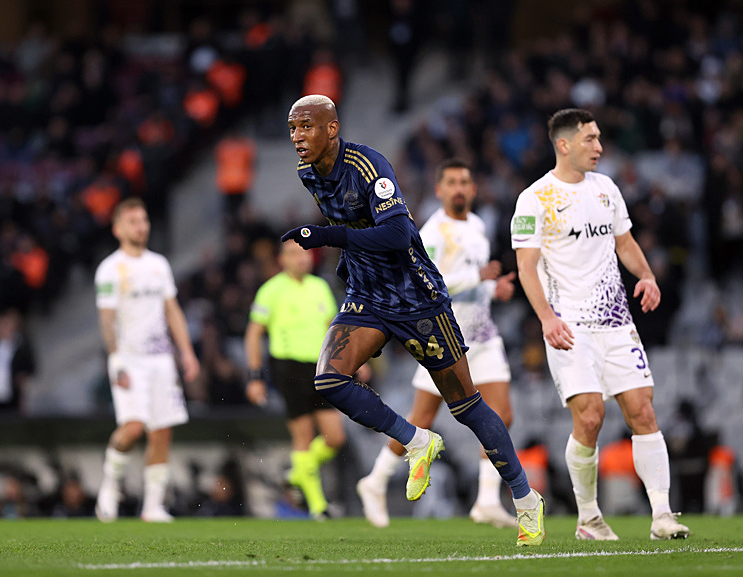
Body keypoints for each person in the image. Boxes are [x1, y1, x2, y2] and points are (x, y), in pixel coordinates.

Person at [282, 94, 544, 546]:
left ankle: (525, 499)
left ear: (332, 129)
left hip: (416, 296)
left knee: (466, 406)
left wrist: (327, 236)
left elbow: (400, 232)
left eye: (306, 126)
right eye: (292, 128)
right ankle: (417, 441)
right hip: (367, 295)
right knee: (328, 380)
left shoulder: (368, 166)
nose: (297, 137)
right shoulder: (308, 171)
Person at [511, 108, 690, 541]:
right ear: (564, 144)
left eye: (598, 138)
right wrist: (547, 318)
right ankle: (589, 518)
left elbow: (624, 242)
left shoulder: (607, 189)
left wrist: (646, 275)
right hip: (569, 326)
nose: (599, 147)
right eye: (590, 139)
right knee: (591, 417)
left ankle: (662, 516)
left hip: (616, 322)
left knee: (643, 410)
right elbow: (526, 267)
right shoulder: (534, 199)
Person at [357, 158, 519, 529]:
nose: (459, 188)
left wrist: (492, 288)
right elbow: (426, 282)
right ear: (439, 190)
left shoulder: (478, 225)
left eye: (464, 182)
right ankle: (376, 480)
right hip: (444, 337)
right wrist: (477, 277)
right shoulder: (431, 232)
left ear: (473, 189)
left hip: (483, 335)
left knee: (502, 414)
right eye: (452, 182)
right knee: (422, 419)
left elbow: (473, 280)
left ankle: (487, 501)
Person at [94, 197, 200, 523]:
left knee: (161, 431)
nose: (141, 227)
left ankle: (153, 506)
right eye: (133, 222)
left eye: (143, 220)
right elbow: (107, 319)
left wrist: (187, 351)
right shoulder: (110, 269)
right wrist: (115, 359)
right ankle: (110, 485)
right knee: (133, 428)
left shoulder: (158, 264)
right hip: (128, 358)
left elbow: (172, 310)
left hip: (161, 359)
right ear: (118, 229)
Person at [244, 239, 345, 518]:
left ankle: (297, 472)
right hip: (288, 366)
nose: (301, 259)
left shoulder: (320, 286)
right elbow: (253, 334)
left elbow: (332, 328)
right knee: (303, 436)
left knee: (335, 437)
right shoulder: (271, 290)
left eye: (305, 253)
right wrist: (255, 376)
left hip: (321, 367)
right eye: (293, 253)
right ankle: (318, 506)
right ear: (282, 259)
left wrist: (350, 361)